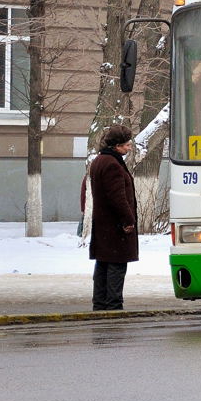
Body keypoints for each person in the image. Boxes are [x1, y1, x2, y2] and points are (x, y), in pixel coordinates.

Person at [85, 125, 138, 311]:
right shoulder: (112, 164)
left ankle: (99, 304)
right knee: (116, 265)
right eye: (127, 144)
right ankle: (113, 306)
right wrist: (128, 220)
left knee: (103, 263)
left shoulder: (100, 161)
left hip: (103, 225)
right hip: (115, 226)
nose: (129, 147)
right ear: (117, 146)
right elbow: (118, 197)